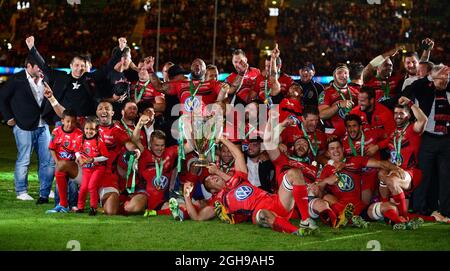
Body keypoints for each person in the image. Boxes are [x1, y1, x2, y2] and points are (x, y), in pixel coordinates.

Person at [204, 136, 318, 236]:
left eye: (211, 176)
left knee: (295, 173)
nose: (211, 177)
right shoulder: (219, 199)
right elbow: (199, 216)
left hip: (277, 201)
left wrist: (223, 139)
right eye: (208, 180)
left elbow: (238, 155)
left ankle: (305, 220)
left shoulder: (238, 179)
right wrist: (188, 196)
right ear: (212, 190)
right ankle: (296, 231)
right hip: (257, 212)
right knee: (264, 214)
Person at [0, 56, 54, 203]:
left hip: (43, 125)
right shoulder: (16, 79)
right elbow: (2, 97)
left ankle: (46, 190)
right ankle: (21, 191)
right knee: (24, 159)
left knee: (48, 161)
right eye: (38, 66)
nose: (41, 69)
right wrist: (8, 117)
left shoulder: (45, 79)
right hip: (23, 126)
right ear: (29, 66)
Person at [317, 138, 403, 228]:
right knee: (326, 197)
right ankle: (344, 216)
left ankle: (399, 223)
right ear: (328, 153)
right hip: (339, 208)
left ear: (343, 149)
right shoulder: (325, 169)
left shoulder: (355, 160)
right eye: (332, 148)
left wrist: (395, 168)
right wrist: (326, 181)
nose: (336, 151)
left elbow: (380, 163)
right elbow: (317, 191)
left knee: (389, 206)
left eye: (338, 147)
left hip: (359, 209)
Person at [405, 65, 450, 220]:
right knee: (423, 176)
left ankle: (446, 211)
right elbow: (413, 87)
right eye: (441, 77)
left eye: (446, 78)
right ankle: (419, 209)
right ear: (432, 77)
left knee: (446, 177)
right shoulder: (424, 88)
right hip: (428, 138)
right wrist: (431, 77)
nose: (444, 80)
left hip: (447, 139)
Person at [378, 96, 428, 220]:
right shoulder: (394, 133)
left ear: (409, 115)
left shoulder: (412, 129)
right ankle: (387, 207)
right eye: (395, 113)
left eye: (401, 113)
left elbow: (423, 120)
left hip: (410, 172)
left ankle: (404, 218)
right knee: (381, 173)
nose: (398, 116)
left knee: (391, 180)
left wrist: (410, 103)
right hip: (396, 170)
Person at [342, 114, 387, 204]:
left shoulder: (372, 133)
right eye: (349, 126)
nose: (351, 129)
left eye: (354, 126)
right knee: (363, 203)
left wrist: (377, 146)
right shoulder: (344, 143)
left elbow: (390, 137)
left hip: (375, 171)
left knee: (382, 173)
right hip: (360, 176)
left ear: (360, 127)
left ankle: (384, 202)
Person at [46, 109, 83, 213]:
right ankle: (59, 205)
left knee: (73, 184)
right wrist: (57, 162)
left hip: (73, 165)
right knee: (58, 184)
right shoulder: (56, 131)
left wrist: (74, 164)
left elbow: (78, 152)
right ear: (62, 120)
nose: (70, 124)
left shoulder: (79, 133)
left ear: (75, 122)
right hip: (59, 163)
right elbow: (52, 148)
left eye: (72, 122)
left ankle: (73, 205)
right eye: (67, 121)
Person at [74, 117, 109, 215]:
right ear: (83, 129)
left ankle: (93, 207)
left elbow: (106, 157)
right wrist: (79, 158)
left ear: (96, 130)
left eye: (92, 129)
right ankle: (80, 207)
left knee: (91, 186)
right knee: (83, 187)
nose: (89, 131)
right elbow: (76, 150)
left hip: (98, 168)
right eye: (87, 129)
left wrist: (94, 159)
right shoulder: (80, 139)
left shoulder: (99, 142)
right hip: (86, 168)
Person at [318, 64, 359, 138]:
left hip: (353, 134)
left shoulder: (356, 91)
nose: (343, 75)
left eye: (345, 73)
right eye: (339, 72)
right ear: (334, 76)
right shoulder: (326, 93)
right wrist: (338, 105)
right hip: (334, 136)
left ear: (349, 75)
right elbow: (322, 115)